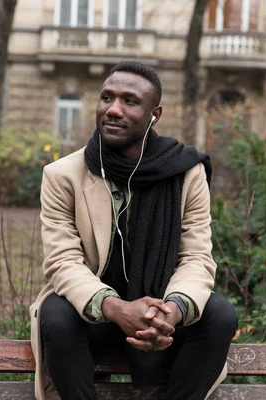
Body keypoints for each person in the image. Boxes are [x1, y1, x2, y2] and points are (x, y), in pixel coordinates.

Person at [29, 61, 237, 400]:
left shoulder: (186, 172)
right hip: (95, 317)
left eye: (129, 101)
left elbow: (197, 256)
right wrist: (115, 308)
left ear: (155, 113)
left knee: (219, 314)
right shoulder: (63, 175)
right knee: (56, 312)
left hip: (161, 320)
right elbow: (62, 262)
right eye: (106, 98)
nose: (113, 109)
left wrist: (172, 310)